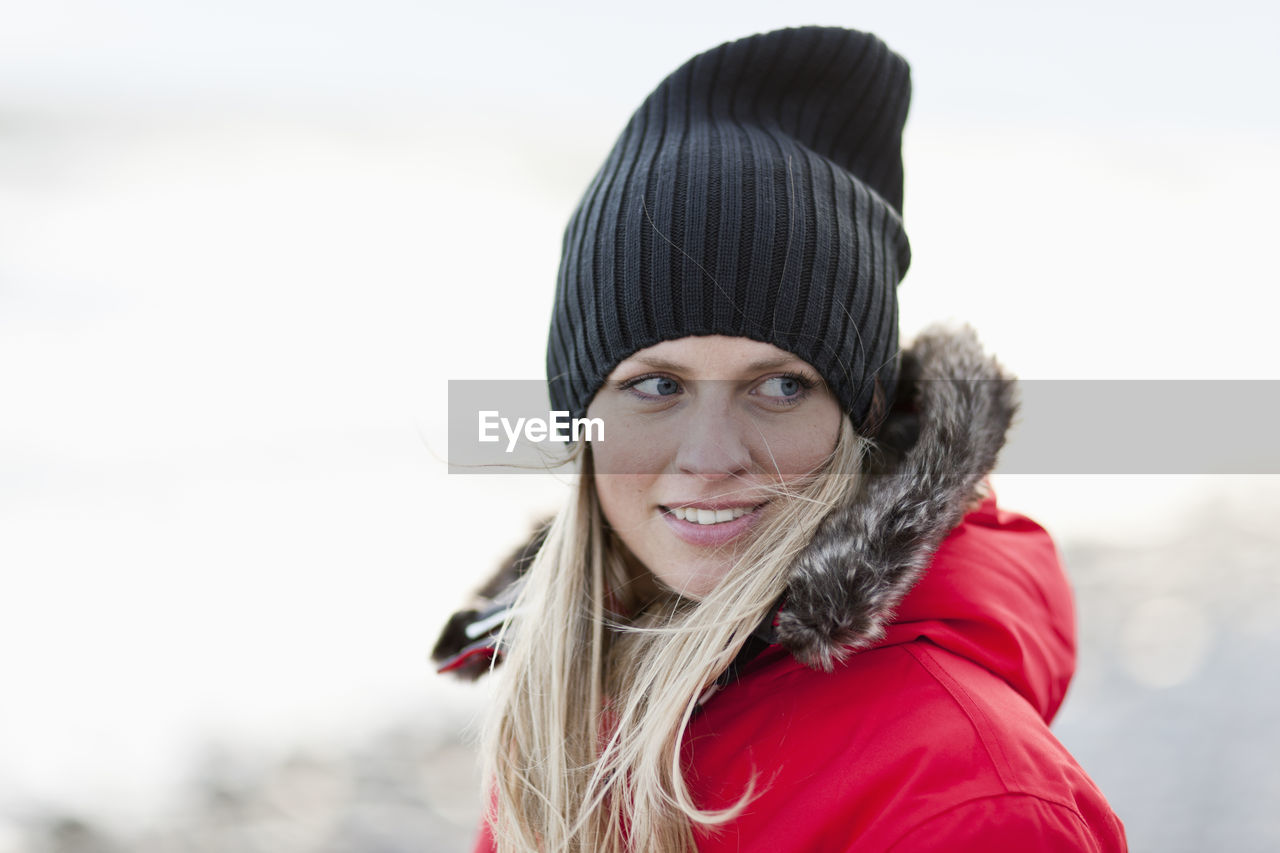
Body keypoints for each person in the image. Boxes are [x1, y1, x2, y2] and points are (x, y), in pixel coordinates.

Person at [433, 26, 1128, 852]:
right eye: (657, 385)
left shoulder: (971, 804)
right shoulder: (568, 706)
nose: (711, 455)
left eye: (780, 386)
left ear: (857, 421)